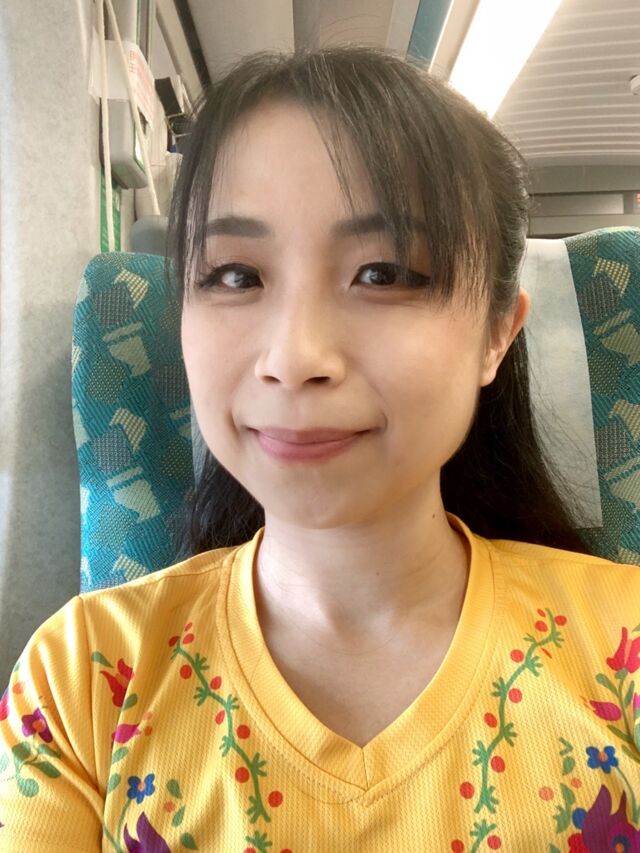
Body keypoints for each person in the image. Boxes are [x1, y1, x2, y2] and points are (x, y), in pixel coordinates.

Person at [1, 45, 639, 853]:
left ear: (495, 335)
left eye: (383, 272)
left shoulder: (626, 647)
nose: (294, 356)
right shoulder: (78, 680)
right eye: (236, 275)